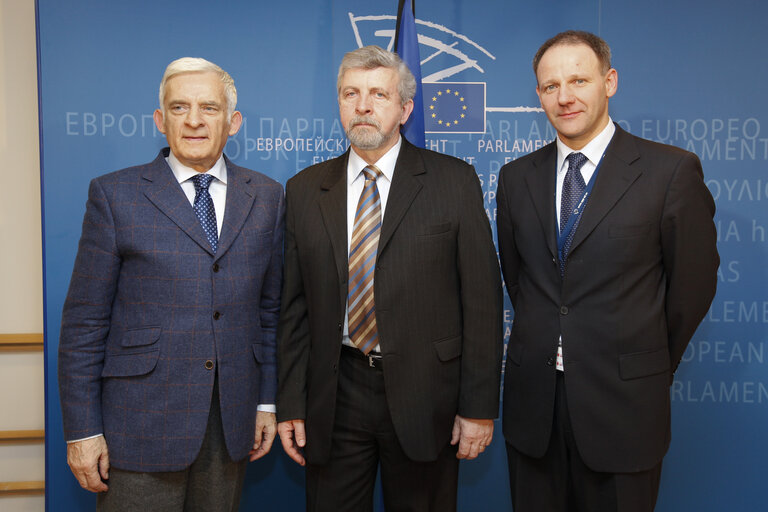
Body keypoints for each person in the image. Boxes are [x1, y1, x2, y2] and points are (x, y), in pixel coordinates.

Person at [496, 31, 719, 511]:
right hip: (534, 409)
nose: (565, 96)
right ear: (538, 95)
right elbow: (522, 282)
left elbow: (693, 288)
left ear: (609, 81)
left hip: (625, 409)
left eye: (579, 79)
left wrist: (645, 359)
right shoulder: (516, 178)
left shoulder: (670, 172)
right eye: (550, 86)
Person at [276, 45, 503, 512]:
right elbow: (293, 310)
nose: (362, 105)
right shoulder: (303, 190)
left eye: (378, 94)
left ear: (405, 108)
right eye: (350, 93)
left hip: (427, 398)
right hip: (334, 394)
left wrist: (478, 406)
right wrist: (291, 403)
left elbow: (482, 301)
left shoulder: (453, 181)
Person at [58, 57, 284, 511]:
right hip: (138, 424)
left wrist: (266, 402)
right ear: (160, 121)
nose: (195, 121)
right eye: (179, 108)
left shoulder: (268, 196)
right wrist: (83, 430)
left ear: (233, 121)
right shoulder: (114, 194)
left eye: (210, 108)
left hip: (229, 423)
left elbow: (270, 312)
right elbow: (85, 322)